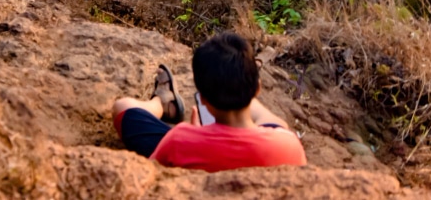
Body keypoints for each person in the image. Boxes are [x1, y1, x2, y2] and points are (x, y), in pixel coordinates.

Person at [111, 32, 306, 172]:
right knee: (277, 125)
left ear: (202, 99)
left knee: (124, 108)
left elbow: (154, 172)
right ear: (257, 89)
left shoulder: (178, 139)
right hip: (265, 150)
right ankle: (239, 85)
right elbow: (277, 129)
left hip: (192, 150)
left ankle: (160, 102)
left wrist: (196, 135)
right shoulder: (288, 144)